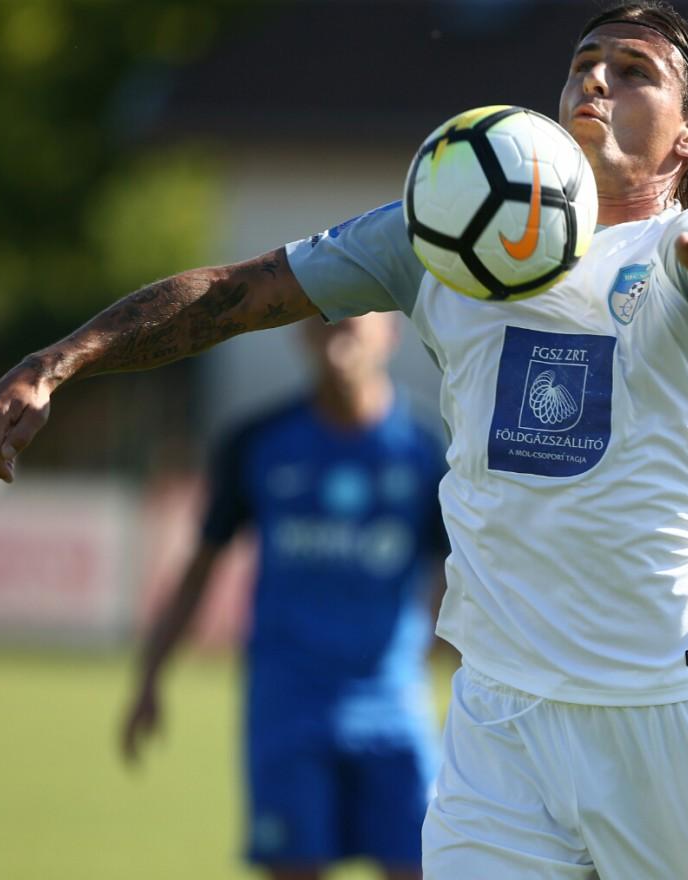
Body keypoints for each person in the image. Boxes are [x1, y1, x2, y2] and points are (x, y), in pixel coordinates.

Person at [0, 3, 688, 877]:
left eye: (634, 71)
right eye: (584, 63)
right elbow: (238, 292)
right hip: (502, 721)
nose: (595, 80)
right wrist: (54, 362)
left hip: (667, 707)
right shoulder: (448, 228)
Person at [120, 313, 447, 880]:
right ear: (302, 334)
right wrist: (151, 675)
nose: (339, 330)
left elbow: (459, 572)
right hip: (288, 704)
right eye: (325, 320)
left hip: (393, 702)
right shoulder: (260, 441)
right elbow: (200, 568)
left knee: (424, 866)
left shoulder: (424, 450)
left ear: (391, 333)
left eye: (355, 319)